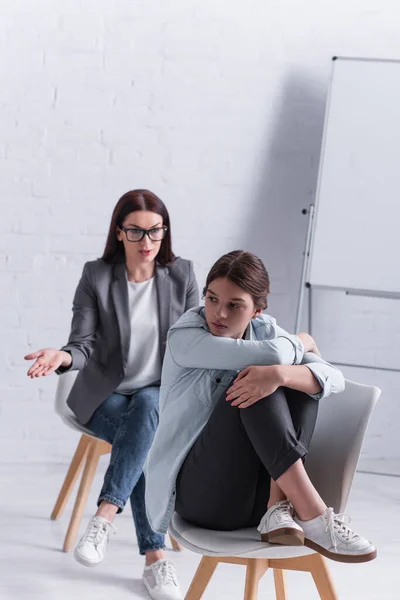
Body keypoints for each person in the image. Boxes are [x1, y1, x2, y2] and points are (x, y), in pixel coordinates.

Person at [145, 250, 376, 564]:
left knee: (293, 381)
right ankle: (314, 514)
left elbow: (333, 379)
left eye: (234, 305)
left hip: (255, 501)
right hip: (200, 498)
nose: (219, 314)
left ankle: (277, 506)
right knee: (254, 379)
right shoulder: (186, 336)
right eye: (212, 299)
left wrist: (282, 373)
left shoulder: (268, 335)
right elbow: (273, 357)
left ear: (257, 310)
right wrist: (302, 342)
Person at [24, 189, 199, 600]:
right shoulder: (96, 275)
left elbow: (195, 343)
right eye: (136, 231)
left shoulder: (184, 275)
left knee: (150, 408)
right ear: (119, 233)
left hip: (157, 395)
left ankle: (104, 516)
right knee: (145, 429)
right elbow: (82, 343)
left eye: (155, 231)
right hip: (106, 395)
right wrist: (62, 356)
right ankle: (155, 559)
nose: (147, 242)